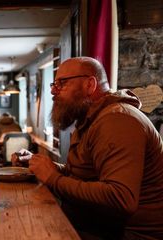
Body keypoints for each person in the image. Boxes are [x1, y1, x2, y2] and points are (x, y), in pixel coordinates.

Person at [12, 57, 163, 239]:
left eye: (62, 83)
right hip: (100, 226)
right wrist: (39, 165)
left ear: (90, 84)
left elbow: (121, 198)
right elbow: (86, 177)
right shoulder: (92, 118)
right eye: (53, 84)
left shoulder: (117, 121)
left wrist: (53, 178)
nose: (53, 91)